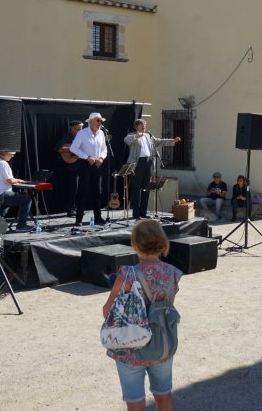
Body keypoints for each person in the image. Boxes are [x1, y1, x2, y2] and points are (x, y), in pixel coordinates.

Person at [103, 219, 183, 411]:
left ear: (136, 244)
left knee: (135, 402)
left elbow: (107, 311)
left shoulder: (127, 274)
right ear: (162, 242)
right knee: (164, 397)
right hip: (162, 343)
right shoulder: (173, 273)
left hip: (131, 348)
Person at [123, 119, 181, 219]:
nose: (144, 126)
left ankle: (143, 212)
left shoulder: (148, 135)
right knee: (136, 189)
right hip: (137, 164)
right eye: (142, 125)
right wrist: (137, 136)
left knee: (146, 189)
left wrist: (173, 141)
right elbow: (126, 140)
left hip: (148, 162)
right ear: (136, 126)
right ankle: (136, 214)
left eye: (145, 124)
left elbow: (159, 141)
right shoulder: (132, 135)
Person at [70, 112, 109, 226]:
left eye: (101, 121)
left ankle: (98, 217)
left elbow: (104, 149)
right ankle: (79, 219)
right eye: (98, 120)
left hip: (97, 164)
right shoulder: (82, 133)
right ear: (90, 122)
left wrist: (102, 158)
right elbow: (73, 148)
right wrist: (87, 157)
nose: (100, 123)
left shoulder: (101, 133)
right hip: (85, 164)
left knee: (97, 191)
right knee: (83, 191)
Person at [0, 151, 33, 232]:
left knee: (8, 202)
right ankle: (21, 226)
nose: (12, 157)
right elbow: (11, 181)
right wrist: (22, 181)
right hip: (0, 195)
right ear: (4, 154)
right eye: (11, 155)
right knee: (27, 200)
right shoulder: (3, 163)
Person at [54, 119, 84, 217]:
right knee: (73, 189)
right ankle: (71, 209)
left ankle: (79, 208)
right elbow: (59, 148)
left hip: (82, 165)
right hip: (72, 167)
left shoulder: (83, 136)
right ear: (72, 129)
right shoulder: (67, 137)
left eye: (81, 128)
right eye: (78, 129)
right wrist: (73, 148)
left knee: (82, 188)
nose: (80, 131)